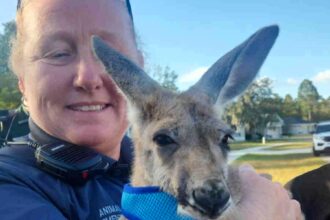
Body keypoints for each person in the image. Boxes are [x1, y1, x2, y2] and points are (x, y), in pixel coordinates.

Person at [0, 0, 302, 219]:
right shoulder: (10, 185)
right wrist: (257, 212)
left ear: (139, 65)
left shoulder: (142, 162)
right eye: (57, 53)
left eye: (109, 56)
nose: (88, 78)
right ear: (22, 81)